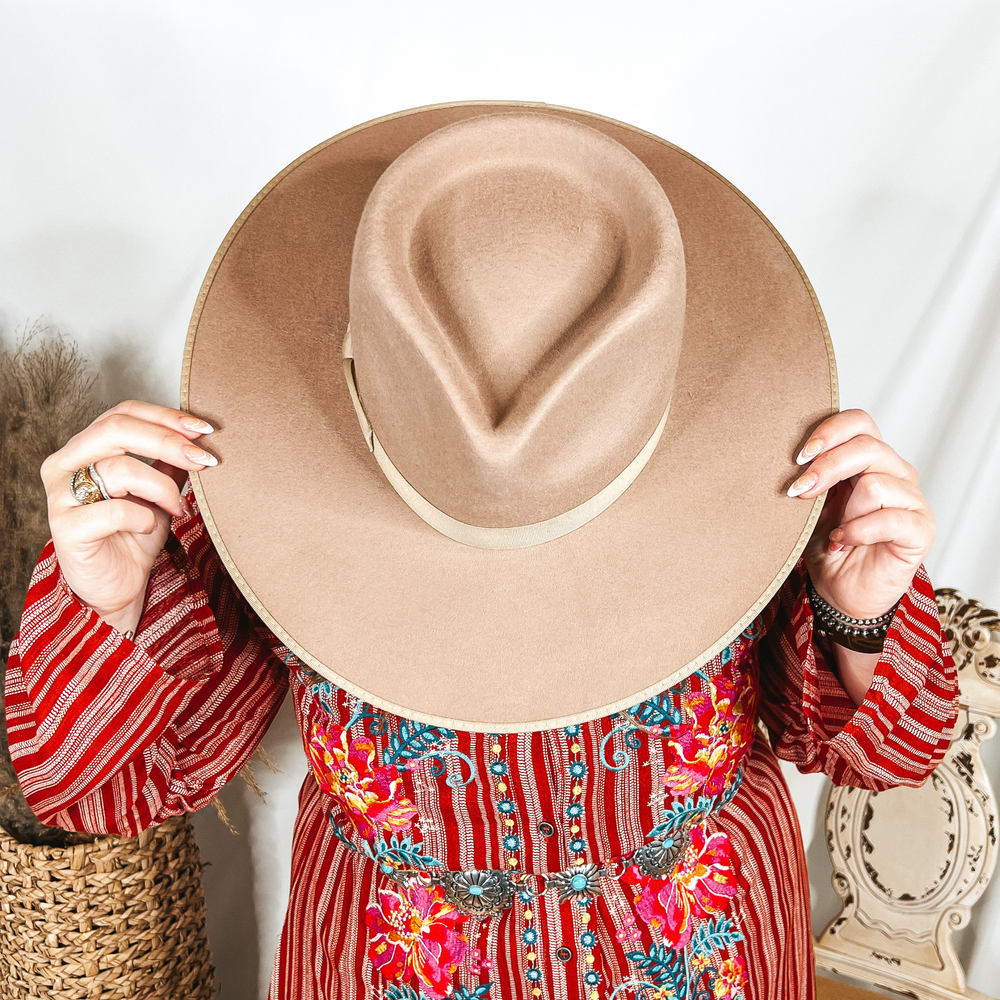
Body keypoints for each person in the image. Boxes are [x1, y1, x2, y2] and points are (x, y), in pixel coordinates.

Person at [5, 106, 957, 1000]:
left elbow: (891, 752)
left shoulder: (762, 467)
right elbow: (102, 791)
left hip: (714, 958)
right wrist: (109, 604)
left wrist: (857, 614)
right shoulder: (259, 483)